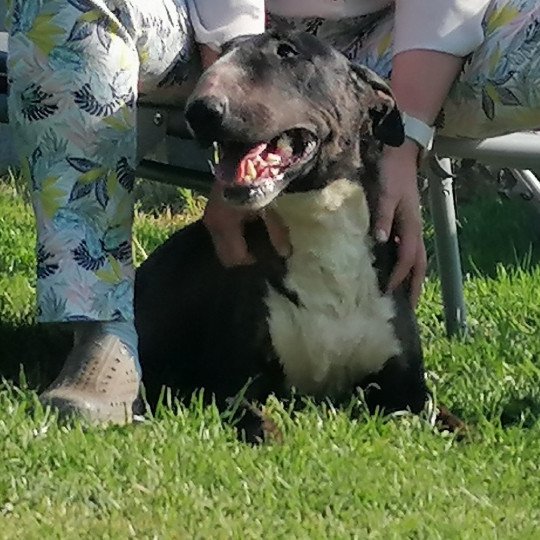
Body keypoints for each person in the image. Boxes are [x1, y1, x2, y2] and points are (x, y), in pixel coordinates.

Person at [7, 0, 540, 424]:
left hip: (396, 40)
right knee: (69, 5)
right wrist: (239, 134)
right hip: (204, 31)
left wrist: (406, 142)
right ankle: (104, 330)